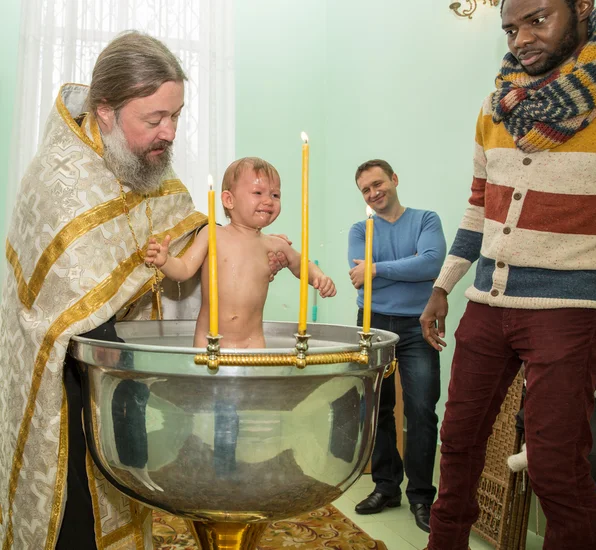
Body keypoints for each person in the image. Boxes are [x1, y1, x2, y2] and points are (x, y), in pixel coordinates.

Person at [0, 33, 284, 550]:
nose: (168, 133)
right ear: (105, 112)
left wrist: (241, 261)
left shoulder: (143, 164)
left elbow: (186, 239)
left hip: (117, 375)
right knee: (77, 517)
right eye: (154, 119)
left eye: (175, 116)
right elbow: (69, 304)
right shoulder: (59, 181)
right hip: (63, 386)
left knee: (126, 490)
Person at [420, 1, 596, 548]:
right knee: (457, 444)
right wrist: (442, 285)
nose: (521, 38)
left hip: (568, 311)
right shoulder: (493, 108)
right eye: (511, 28)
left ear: (583, 8)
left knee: (555, 468)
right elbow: (480, 206)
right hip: (486, 305)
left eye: (538, 19)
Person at [145, 157, 337, 348]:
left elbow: (300, 264)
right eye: (258, 192)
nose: (268, 201)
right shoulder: (213, 234)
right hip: (210, 341)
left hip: (252, 343)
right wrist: (165, 261)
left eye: (275, 195)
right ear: (229, 200)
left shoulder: (274, 245)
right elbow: (184, 269)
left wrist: (318, 277)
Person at [348, 159, 446, 533]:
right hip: (372, 325)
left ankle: (422, 496)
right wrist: (400, 270)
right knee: (377, 407)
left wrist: (376, 269)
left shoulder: (426, 220)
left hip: (416, 325)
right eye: (366, 190)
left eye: (378, 184)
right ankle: (386, 487)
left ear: (394, 180)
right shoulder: (361, 229)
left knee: (422, 410)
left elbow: (432, 264)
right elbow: (359, 278)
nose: (374, 193)